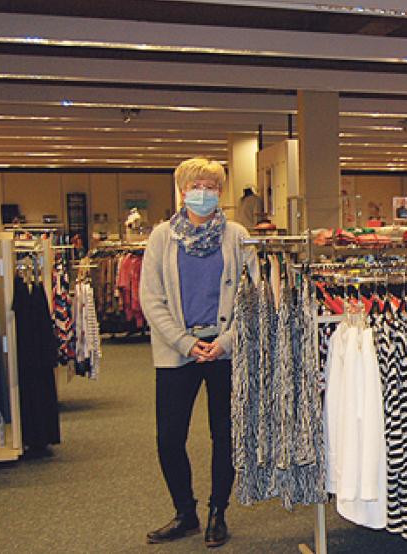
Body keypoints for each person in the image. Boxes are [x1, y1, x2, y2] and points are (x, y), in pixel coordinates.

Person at [141, 157, 255, 547]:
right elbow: (151, 298)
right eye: (196, 185)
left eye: (211, 186)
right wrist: (185, 342)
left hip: (225, 351)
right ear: (182, 189)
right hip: (177, 353)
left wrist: (226, 341)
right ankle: (185, 513)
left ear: (221, 191)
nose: (203, 193)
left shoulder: (239, 236)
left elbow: (253, 298)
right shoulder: (160, 238)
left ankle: (217, 512)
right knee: (169, 437)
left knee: (225, 434)